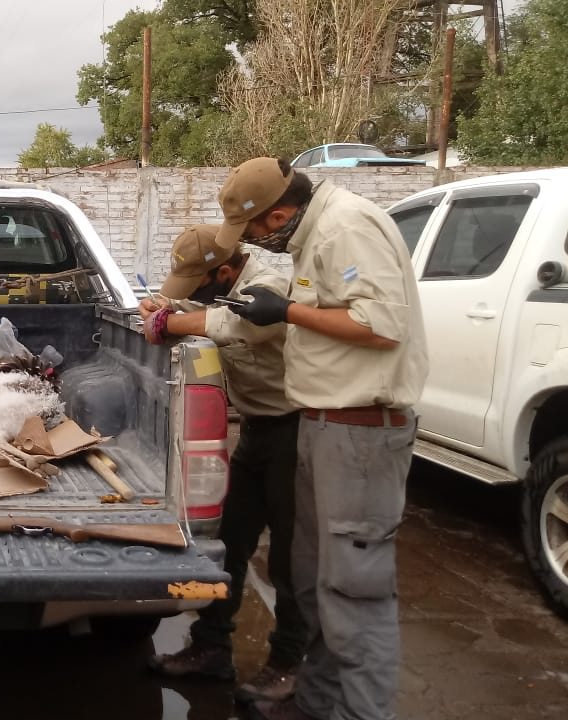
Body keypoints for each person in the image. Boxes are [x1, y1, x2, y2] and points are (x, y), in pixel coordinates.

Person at [213, 157, 428, 720]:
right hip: (324, 425)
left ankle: (360, 711)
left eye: (255, 230)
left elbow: (381, 327)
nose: (256, 243)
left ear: (278, 214)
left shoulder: (345, 227)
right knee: (314, 580)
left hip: (359, 432)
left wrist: (288, 310)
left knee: (355, 592)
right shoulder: (318, 231)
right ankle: (316, 701)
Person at [139, 225, 307, 704]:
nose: (194, 294)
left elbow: (242, 323)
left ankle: (288, 665)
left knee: (291, 557)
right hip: (258, 430)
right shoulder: (223, 290)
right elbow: (201, 312)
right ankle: (211, 650)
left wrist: (172, 322)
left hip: (295, 431)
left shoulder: (267, 287)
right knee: (231, 543)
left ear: (227, 271)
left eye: (199, 284)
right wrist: (161, 309)